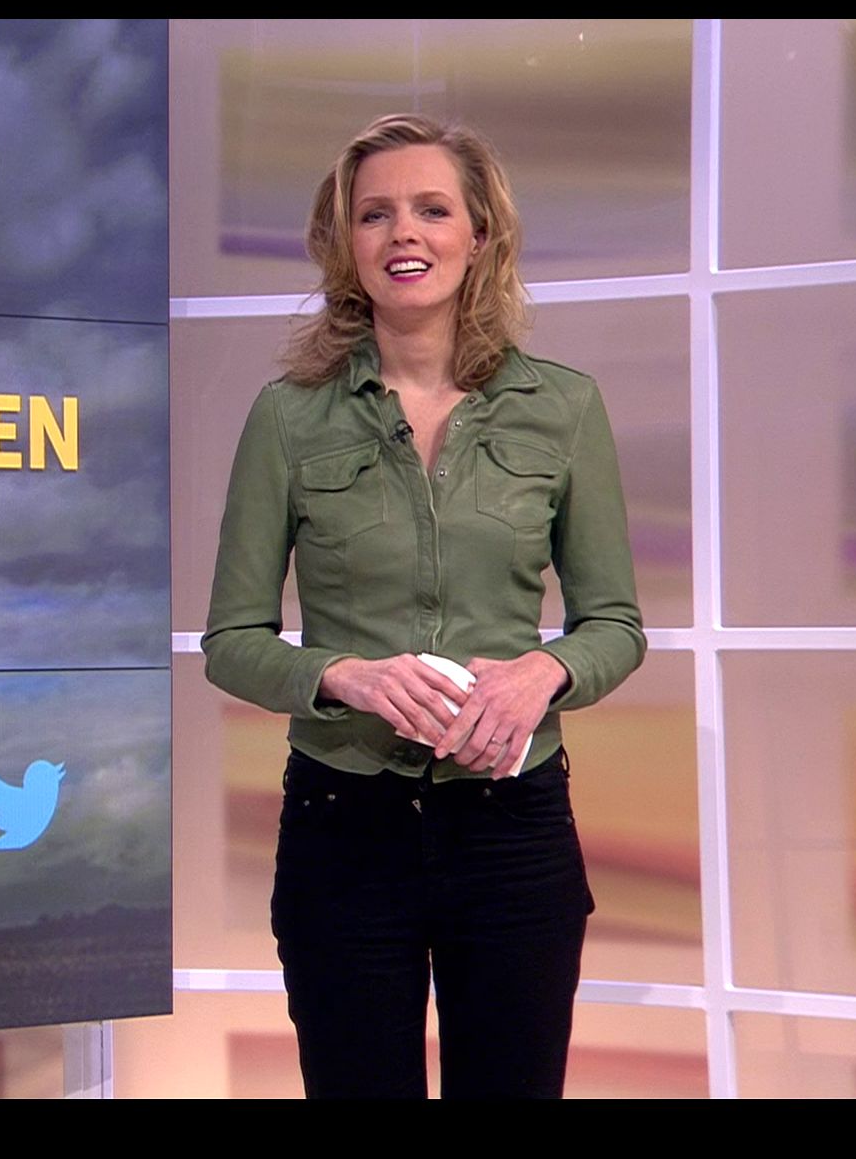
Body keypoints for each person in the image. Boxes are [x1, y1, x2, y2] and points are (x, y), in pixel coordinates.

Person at [202, 113, 647, 1098]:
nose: (403, 232)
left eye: (432, 210)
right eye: (375, 214)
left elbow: (616, 625)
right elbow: (230, 640)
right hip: (344, 829)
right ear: (346, 245)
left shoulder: (564, 408)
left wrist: (546, 671)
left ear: (479, 234)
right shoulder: (288, 417)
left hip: (514, 829)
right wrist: (340, 676)